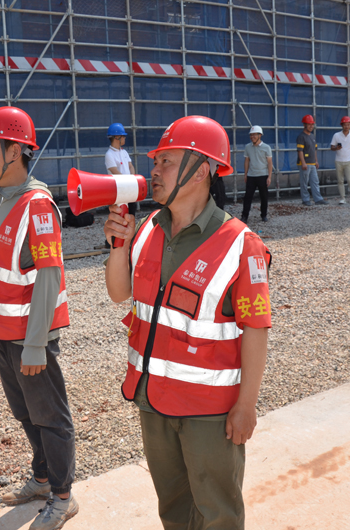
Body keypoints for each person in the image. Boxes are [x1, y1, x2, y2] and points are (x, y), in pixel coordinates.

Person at [102, 115, 272, 530]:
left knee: (218, 513)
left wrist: (246, 406)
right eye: (155, 161)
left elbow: (257, 329)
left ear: (201, 171)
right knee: (174, 509)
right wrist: (117, 247)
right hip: (153, 400)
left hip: (208, 414)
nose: (153, 172)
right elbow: (119, 292)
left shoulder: (241, 244)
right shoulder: (148, 230)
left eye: (166, 162)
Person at [0, 106, 78, 530]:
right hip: (3, 335)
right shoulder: (3, 200)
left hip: (28, 339)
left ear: (14, 150)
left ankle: (63, 496)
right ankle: (41, 479)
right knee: (25, 414)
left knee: (51, 418)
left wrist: (35, 343)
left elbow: (49, 280)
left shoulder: (37, 206)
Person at [242, 125, 273, 223]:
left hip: (263, 175)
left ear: (260, 135)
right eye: (251, 135)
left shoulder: (266, 147)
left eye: (254, 135)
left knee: (264, 197)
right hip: (251, 176)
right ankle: (244, 216)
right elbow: (247, 161)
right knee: (247, 197)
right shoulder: (248, 147)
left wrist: (269, 177)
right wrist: (245, 174)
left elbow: (269, 163)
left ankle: (263, 215)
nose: (252, 137)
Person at [330, 116, 350, 205]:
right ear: (342, 125)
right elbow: (332, 147)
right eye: (345, 125)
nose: (346, 126)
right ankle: (342, 198)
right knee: (340, 180)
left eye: (348, 124)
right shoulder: (336, 135)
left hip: (349, 161)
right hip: (338, 161)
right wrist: (336, 148)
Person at [297, 114, 327, 205]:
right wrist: (303, 163)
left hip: (312, 163)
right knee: (304, 182)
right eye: (309, 124)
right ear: (304, 125)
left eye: (312, 124)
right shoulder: (301, 137)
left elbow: (314, 150)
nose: (311, 126)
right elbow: (300, 151)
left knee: (315, 181)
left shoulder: (312, 136)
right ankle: (305, 199)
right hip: (305, 163)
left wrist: (316, 161)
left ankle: (318, 199)